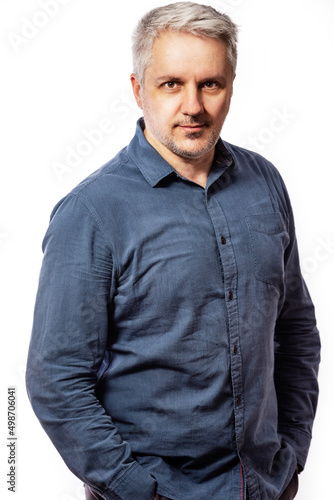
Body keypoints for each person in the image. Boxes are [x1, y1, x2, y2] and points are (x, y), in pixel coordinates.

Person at [26, 2, 320, 499]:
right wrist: (139, 490)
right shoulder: (92, 212)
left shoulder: (265, 182)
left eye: (210, 83)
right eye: (171, 84)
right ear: (139, 89)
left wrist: (291, 456)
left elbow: (295, 331)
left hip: (265, 487)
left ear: (231, 85)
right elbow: (57, 380)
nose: (193, 106)